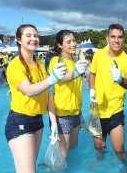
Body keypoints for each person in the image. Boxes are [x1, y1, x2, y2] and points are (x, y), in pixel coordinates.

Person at [5, 24, 67, 173]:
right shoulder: (15, 65)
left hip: (38, 122)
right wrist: (52, 80)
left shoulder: (39, 63)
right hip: (20, 122)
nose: (34, 39)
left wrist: (53, 123)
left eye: (36, 35)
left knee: (30, 167)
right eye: (28, 35)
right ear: (18, 40)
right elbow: (29, 90)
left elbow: (47, 95)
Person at [89, 24, 127, 162]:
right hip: (97, 109)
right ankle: (100, 165)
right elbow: (92, 73)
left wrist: (121, 80)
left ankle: (125, 168)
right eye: (113, 37)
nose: (116, 40)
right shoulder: (98, 54)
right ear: (107, 38)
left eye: (120, 37)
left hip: (115, 111)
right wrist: (92, 89)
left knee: (119, 149)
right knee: (99, 145)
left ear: (123, 39)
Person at [48, 30, 87, 158]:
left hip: (76, 112)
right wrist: (75, 73)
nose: (73, 44)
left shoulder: (74, 62)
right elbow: (63, 77)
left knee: (73, 147)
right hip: (62, 114)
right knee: (63, 155)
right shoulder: (56, 60)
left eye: (74, 41)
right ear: (60, 45)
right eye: (68, 42)